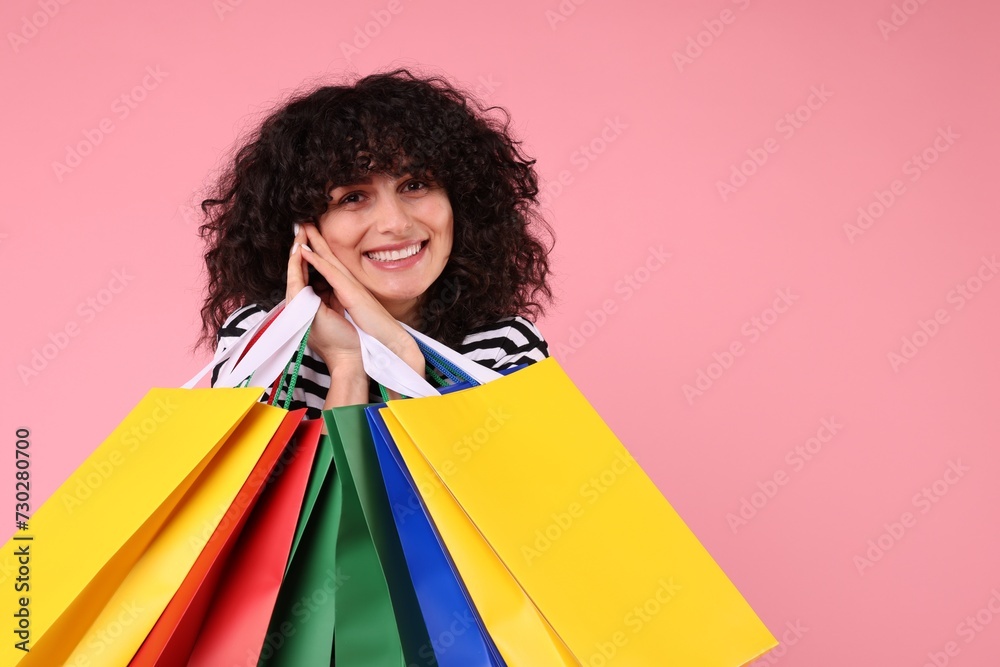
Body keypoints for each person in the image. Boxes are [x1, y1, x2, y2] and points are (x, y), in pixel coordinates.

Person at [196, 67, 555, 417]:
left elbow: (465, 479)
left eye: (414, 185)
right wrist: (347, 366)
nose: (395, 224)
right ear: (302, 227)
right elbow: (303, 480)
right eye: (352, 197)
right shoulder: (261, 340)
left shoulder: (504, 345)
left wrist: (401, 360)